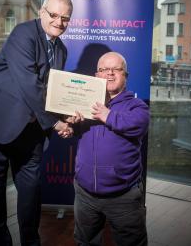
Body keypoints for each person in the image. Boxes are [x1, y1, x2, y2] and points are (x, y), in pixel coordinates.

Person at [0, 0, 73, 246]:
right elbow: (30, 84)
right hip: (0, 124)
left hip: (33, 131)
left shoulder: (62, 50)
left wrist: (68, 115)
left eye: (65, 18)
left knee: (31, 192)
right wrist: (55, 122)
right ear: (42, 12)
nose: (59, 22)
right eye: (54, 15)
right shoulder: (23, 33)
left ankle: (30, 241)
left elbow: (54, 93)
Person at [70, 52, 150, 246]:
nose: (110, 74)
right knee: (84, 242)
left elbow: (139, 124)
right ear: (97, 75)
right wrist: (69, 125)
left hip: (124, 197)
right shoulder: (85, 103)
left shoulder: (136, 106)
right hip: (85, 195)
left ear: (126, 75)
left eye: (116, 69)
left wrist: (108, 115)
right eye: (104, 69)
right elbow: (75, 129)